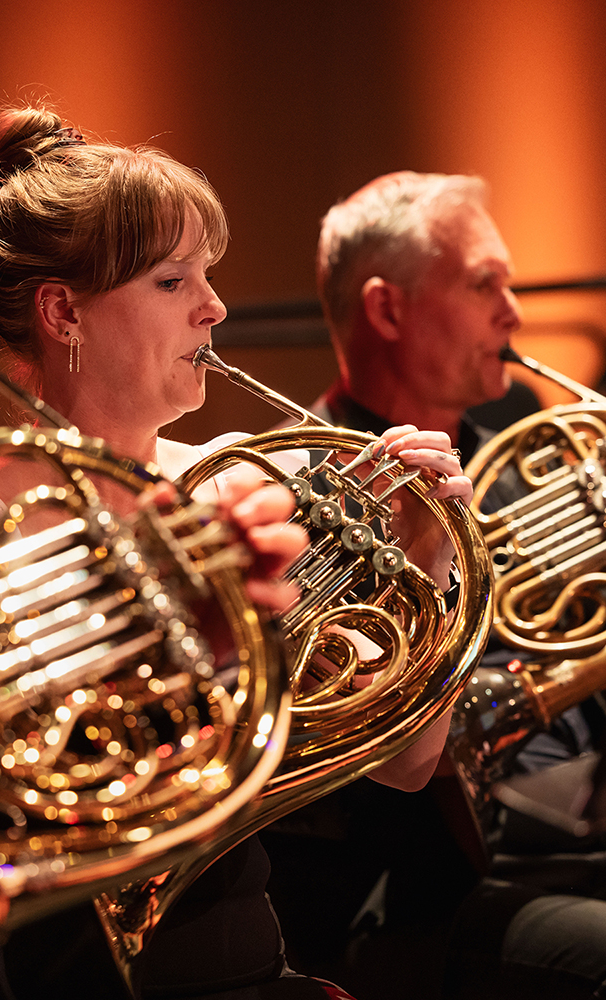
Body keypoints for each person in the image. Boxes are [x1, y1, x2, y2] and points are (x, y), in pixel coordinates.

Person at [0, 108, 471, 1000]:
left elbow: (408, 766)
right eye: (173, 280)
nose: (215, 307)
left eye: (208, 275)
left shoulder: (237, 489)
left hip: (249, 961)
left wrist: (426, 560)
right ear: (64, 310)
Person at [259, 170, 606, 1000]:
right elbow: (348, 753)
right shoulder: (296, 490)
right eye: (484, 283)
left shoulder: (524, 448)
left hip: (571, 835)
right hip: (412, 892)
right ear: (387, 310)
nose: (514, 311)